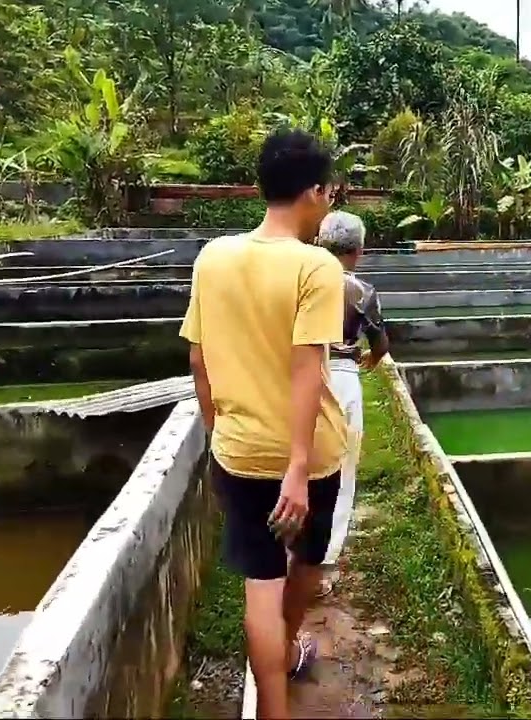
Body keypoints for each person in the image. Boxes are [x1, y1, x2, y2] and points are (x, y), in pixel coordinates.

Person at [180, 128, 347, 720]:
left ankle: (273, 707)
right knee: (304, 563)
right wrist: (297, 469)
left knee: (260, 582)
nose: (330, 200)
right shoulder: (316, 267)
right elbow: (309, 367)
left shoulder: (213, 257)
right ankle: (290, 639)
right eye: (329, 189)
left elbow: (198, 357)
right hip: (311, 458)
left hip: (240, 451)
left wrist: (217, 425)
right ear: (313, 192)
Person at [313, 210, 390, 598]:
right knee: (341, 472)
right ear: (358, 252)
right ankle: (324, 567)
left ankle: (286, 557)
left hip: (298, 372)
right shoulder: (361, 292)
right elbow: (380, 346)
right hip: (342, 376)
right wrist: (367, 361)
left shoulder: (298, 281)